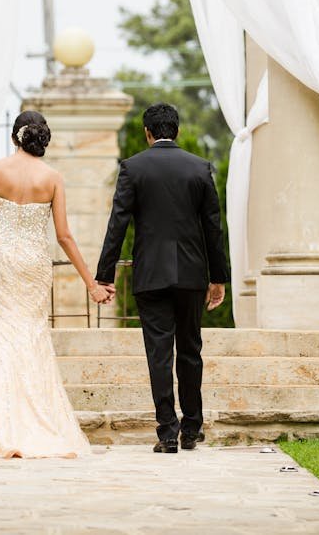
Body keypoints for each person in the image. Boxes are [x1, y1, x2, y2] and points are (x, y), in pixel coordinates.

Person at [0, 109, 110, 458]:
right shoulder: (53, 177)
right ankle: (36, 421)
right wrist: (91, 283)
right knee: (30, 334)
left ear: (15, 136)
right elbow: (64, 235)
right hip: (32, 261)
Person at [96, 102, 229, 454]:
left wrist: (104, 275)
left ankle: (167, 432)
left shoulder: (133, 168)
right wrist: (218, 277)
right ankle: (192, 428)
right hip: (190, 274)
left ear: (148, 133)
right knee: (190, 350)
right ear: (178, 130)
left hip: (151, 274)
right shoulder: (199, 168)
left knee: (159, 353)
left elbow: (117, 224)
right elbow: (213, 228)